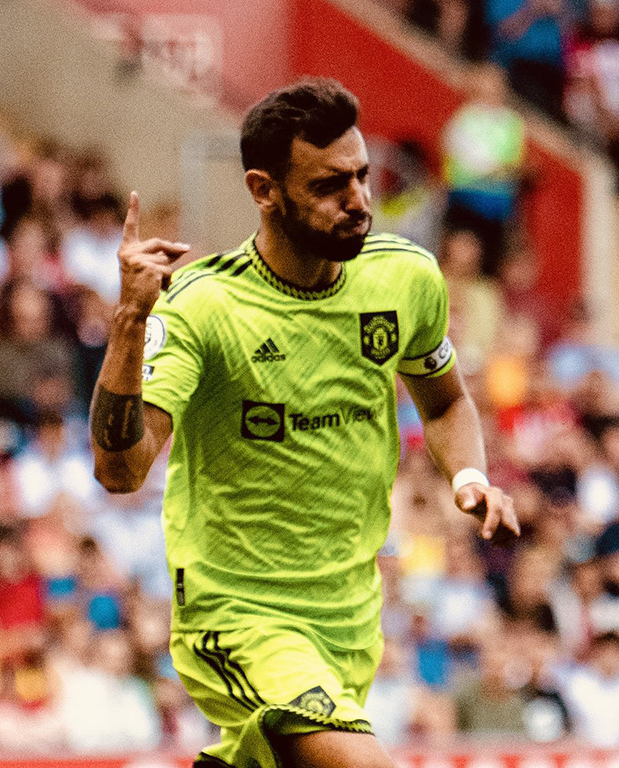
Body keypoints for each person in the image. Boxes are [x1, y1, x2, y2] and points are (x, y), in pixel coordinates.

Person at [89, 78, 519, 768]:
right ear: (264, 191)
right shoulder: (205, 308)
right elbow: (120, 469)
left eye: (362, 177)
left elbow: (443, 402)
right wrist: (130, 321)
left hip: (349, 622)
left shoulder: (406, 279)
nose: (359, 202)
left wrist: (469, 476)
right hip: (237, 616)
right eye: (328, 186)